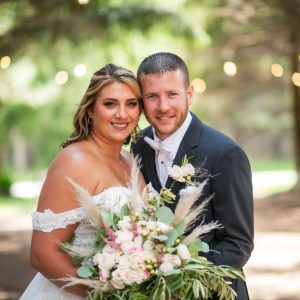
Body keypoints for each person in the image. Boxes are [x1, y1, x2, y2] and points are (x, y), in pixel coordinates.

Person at [132, 52, 254, 300]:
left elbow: (237, 244)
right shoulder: (138, 147)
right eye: (152, 96)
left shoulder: (225, 154)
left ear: (189, 94)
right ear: (142, 101)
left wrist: (181, 284)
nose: (163, 107)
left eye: (172, 94)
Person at [20, 64, 145, 299]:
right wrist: (105, 295)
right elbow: (41, 254)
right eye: (110, 104)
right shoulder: (74, 161)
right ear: (90, 110)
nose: (122, 114)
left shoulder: (129, 161)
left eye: (131, 103)